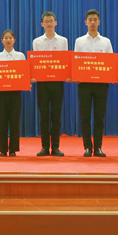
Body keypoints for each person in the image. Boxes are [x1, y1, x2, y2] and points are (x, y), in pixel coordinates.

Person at [73, 9, 113, 157]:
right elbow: (76, 61)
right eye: (90, 19)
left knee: (99, 116)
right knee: (85, 117)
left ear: (99, 22)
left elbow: (110, 63)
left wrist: (112, 76)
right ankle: (87, 147)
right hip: (84, 84)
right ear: (86, 22)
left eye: (95, 19)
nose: (92, 22)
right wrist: (76, 76)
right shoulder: (79, 41)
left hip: (101, 84)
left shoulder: (106, 41)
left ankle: (98, 147)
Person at [32, 11, 68, 156]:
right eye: (46, 21)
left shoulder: (63, 41)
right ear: (42, 24)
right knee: (44, 115)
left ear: (55, 23)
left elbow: (65, 61)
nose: (49, 23)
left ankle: (56, 147)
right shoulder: (37, 41)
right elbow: (36, 63)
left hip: (57, 82)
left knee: (56, 115)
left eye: (51, 21)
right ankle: (45, 147)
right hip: (42, 83)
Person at [0, 29, 26, 157]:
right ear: (2, 40)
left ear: (14, 40)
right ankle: (2, 149)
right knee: (2, 121)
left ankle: (13, 149)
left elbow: (24, 74)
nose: (8, 40)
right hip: (1, 93)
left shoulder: (20, 56)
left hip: (15, 93)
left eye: (10, 38)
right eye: (5, 38)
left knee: (14, 121)